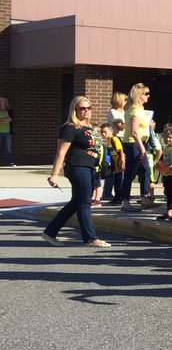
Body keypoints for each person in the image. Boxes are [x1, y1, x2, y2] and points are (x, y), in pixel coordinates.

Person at [43, 96, 110, 248]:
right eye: (82, 108)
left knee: (76, 202)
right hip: (78, 167)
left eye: (88, 108)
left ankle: (50, 232)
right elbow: (61, 152)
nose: (86, 111)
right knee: (85, 202)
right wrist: (55, 174)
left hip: (91, 168)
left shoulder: (90, 128)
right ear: (75, 110)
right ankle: (90, 238)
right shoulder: (70, 127)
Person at [118, 83, 153, 211]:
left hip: (140, 142)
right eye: (146, 93)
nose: (148, 96)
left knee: (145, 170)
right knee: (131, 173)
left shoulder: (138, 109)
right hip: (134, 144)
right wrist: (142, 149)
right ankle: (125, 202)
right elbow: (134, 132)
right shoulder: (135, 110)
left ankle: (144, 198)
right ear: (139, 95)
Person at [0, 97, 13, 166]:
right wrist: (6, 120)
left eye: (2, 101)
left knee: (8, 148)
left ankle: (10, 162)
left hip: (8, 133)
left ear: (5, 102)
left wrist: (2, 120)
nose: (0, 102)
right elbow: (7, 120)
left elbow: (10, 120)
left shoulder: (10, 111)